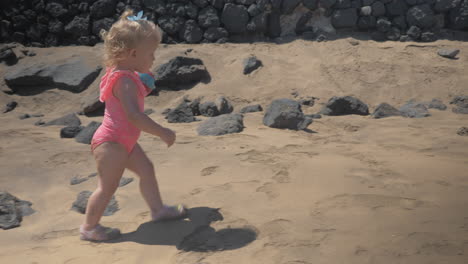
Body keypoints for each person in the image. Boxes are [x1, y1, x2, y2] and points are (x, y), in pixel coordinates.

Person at [79, 10, 187, 241]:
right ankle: (89, 227)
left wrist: (143, 81)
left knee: (146, 170)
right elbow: (134, 116)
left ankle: (157, 210)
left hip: (122, 142)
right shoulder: (125, 80)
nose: (154, 58)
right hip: (111, 143)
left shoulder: (123, 73)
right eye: (151, 53)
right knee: (107, 187)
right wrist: (162, 132)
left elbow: (126, 97)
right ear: (133, 53)